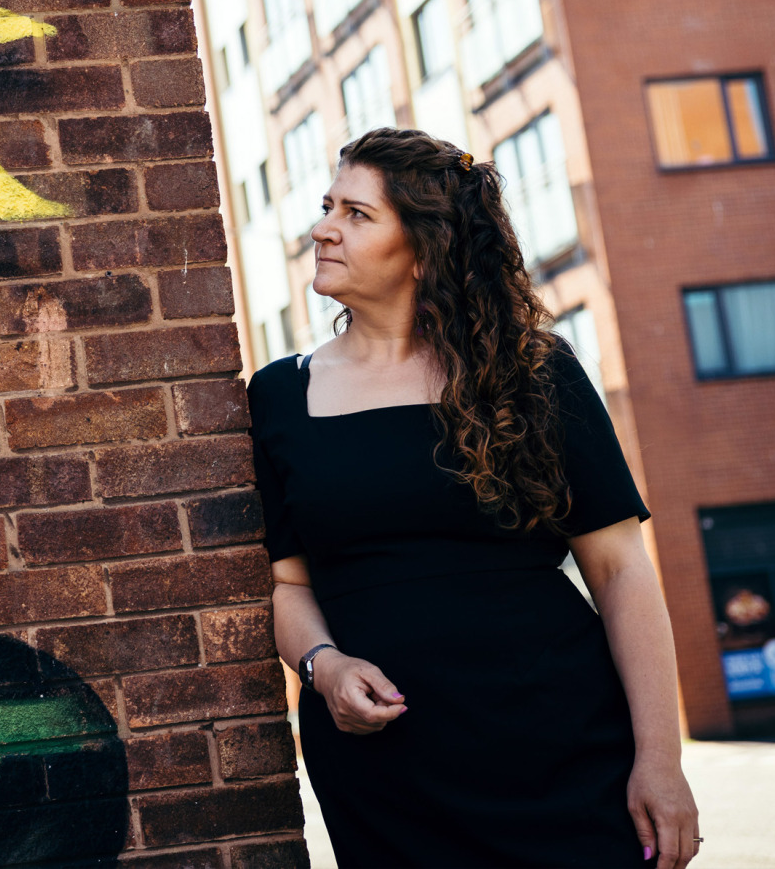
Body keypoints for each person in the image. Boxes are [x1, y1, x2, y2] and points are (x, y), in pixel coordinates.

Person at [248, 128, 700, 868]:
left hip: (562, 746)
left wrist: (660, 759)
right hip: (388, 774)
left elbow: (621, 571)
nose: (322, 228)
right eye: (328, 206)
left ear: (425, 248)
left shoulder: (536, 373)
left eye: (357, 215)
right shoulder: (278, 397)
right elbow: (286, 581)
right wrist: (324, 667)